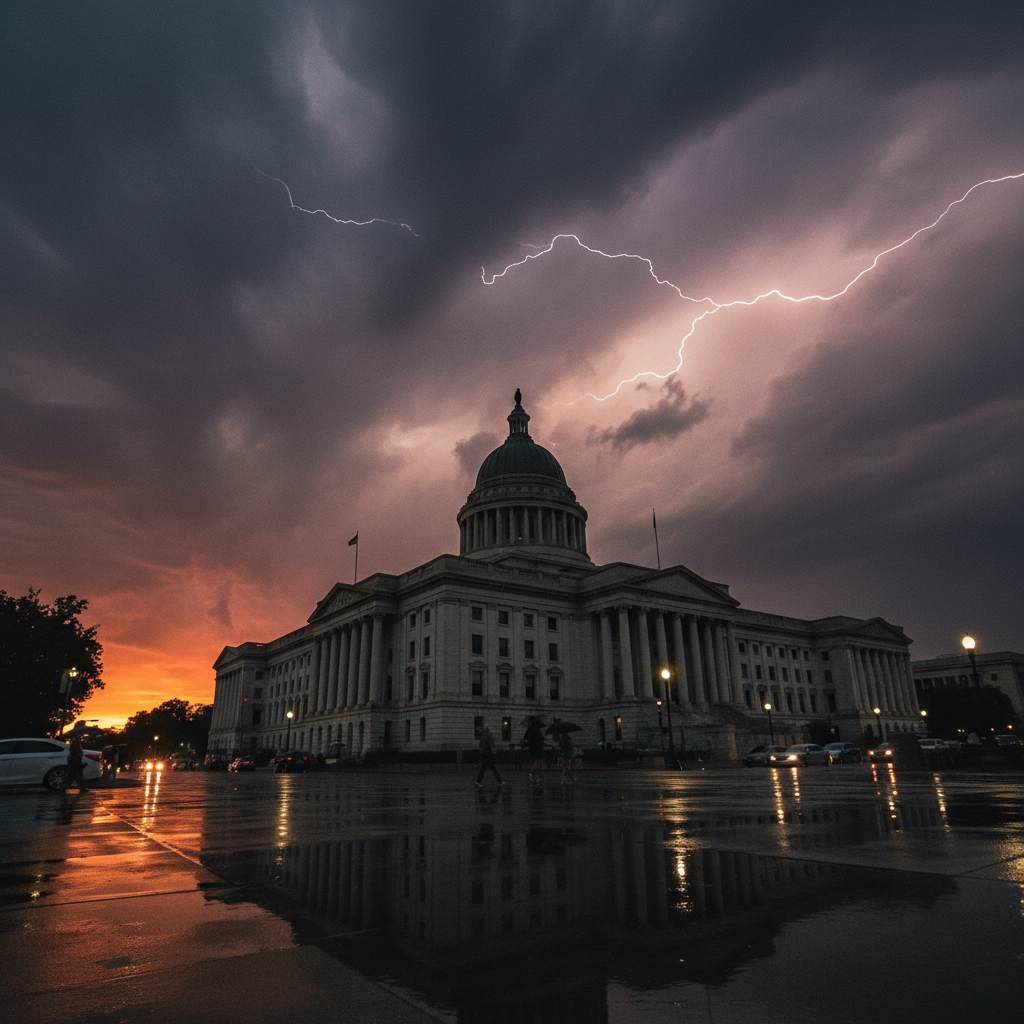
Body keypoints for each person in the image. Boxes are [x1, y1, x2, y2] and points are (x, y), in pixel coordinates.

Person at [525, 718, 546, 782]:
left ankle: (536, 776)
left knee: (537, 762)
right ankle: (532, 773)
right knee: (537, 762)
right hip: (537, 749)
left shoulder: (531, 730)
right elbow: (538, 740)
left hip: (534, 749)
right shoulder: (535, 731)